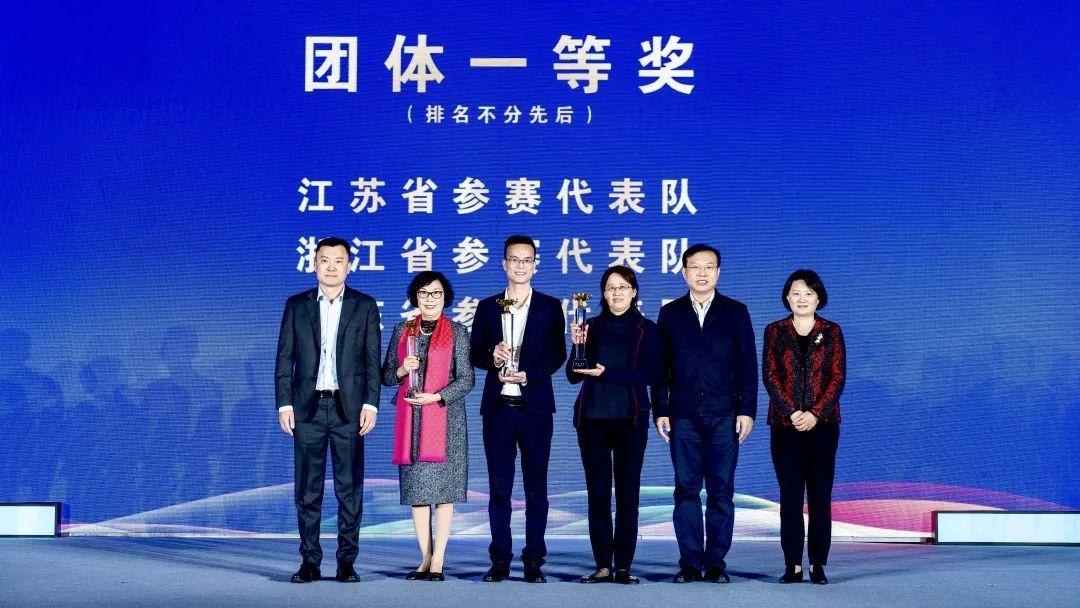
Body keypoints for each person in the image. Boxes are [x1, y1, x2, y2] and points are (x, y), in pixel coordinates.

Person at [275, 237, 381, 583]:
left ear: (349, 266)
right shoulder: (297, 305)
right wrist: (284, 403)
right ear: (315, 264)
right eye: (325, 260)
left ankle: (346, 562)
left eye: (338, 261)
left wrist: (371, 404)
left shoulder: (364, 306)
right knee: (308, 490)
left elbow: (371, 360)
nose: (331, 267)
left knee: (349, 489)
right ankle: (310, 561)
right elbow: (285, 358)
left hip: (348, 409)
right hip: (306, 409)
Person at [653, 243, 757, 584]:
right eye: (695, 267)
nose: (702, 273)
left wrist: (747, 410)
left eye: (709, 267)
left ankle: (715, 563)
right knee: (685, 489)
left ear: (718, 272)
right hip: (682, 415)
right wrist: (660, 409)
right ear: (684, 272)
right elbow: (660, 368)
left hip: (724, 414)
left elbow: (748, 365)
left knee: (721, 490)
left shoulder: (736, 312)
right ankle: (689, 561)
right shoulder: (670, 314)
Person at [469, 235, 567, 583]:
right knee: (499, 488)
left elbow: (558, 354)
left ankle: (534, 559)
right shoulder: (487, 307)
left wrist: (530, 374)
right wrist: (492, 356)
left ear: (535, 265)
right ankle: (500, 559)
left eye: (527, 260)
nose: (521, 266)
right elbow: (474, 353)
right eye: (515, 259)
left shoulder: (550, 306)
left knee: (536, 489)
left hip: (535, 408)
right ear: (504, 264)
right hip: (498, 409)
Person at [567, 266, 663, 585]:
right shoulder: (589, 326)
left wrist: (607, 373)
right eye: (610, 288)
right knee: (597, 495)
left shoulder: (647, 329)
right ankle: (602, 565)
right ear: (603, 293)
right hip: (592, 420)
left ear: (634, 292)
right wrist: (576, 346)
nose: (616, 293)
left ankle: (622, 566)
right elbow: (573, 375)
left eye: (623, 287)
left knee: (627, 495)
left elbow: (651, 375)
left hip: (630, 420)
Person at [381, 271, 474, 582]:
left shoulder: (458, 331)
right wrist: (401, 370)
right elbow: (385, 376)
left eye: (436, 293)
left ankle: (439, 560)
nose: (430, 299)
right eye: (424, 293)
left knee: (444, 494)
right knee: (418, 493)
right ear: (415, 298)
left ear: (445, 297)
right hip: (411, 421)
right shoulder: (402, 330)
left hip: (446, 421)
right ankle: (425, 558)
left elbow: (467, 379)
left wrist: (436, 396)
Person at [763, 269, 846, 585]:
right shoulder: (775, 331)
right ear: (787, 297)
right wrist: (793, 412)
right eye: (796, 293)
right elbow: (770, 376)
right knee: (790, 497)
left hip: (823, 426)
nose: (802, 299)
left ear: (819, 298)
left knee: (820, 496)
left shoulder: (832, 331)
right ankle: (793, 565)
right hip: (785, 426)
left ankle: (818, 564)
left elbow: (838, 377)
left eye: (808, 294)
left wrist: (815, 413)